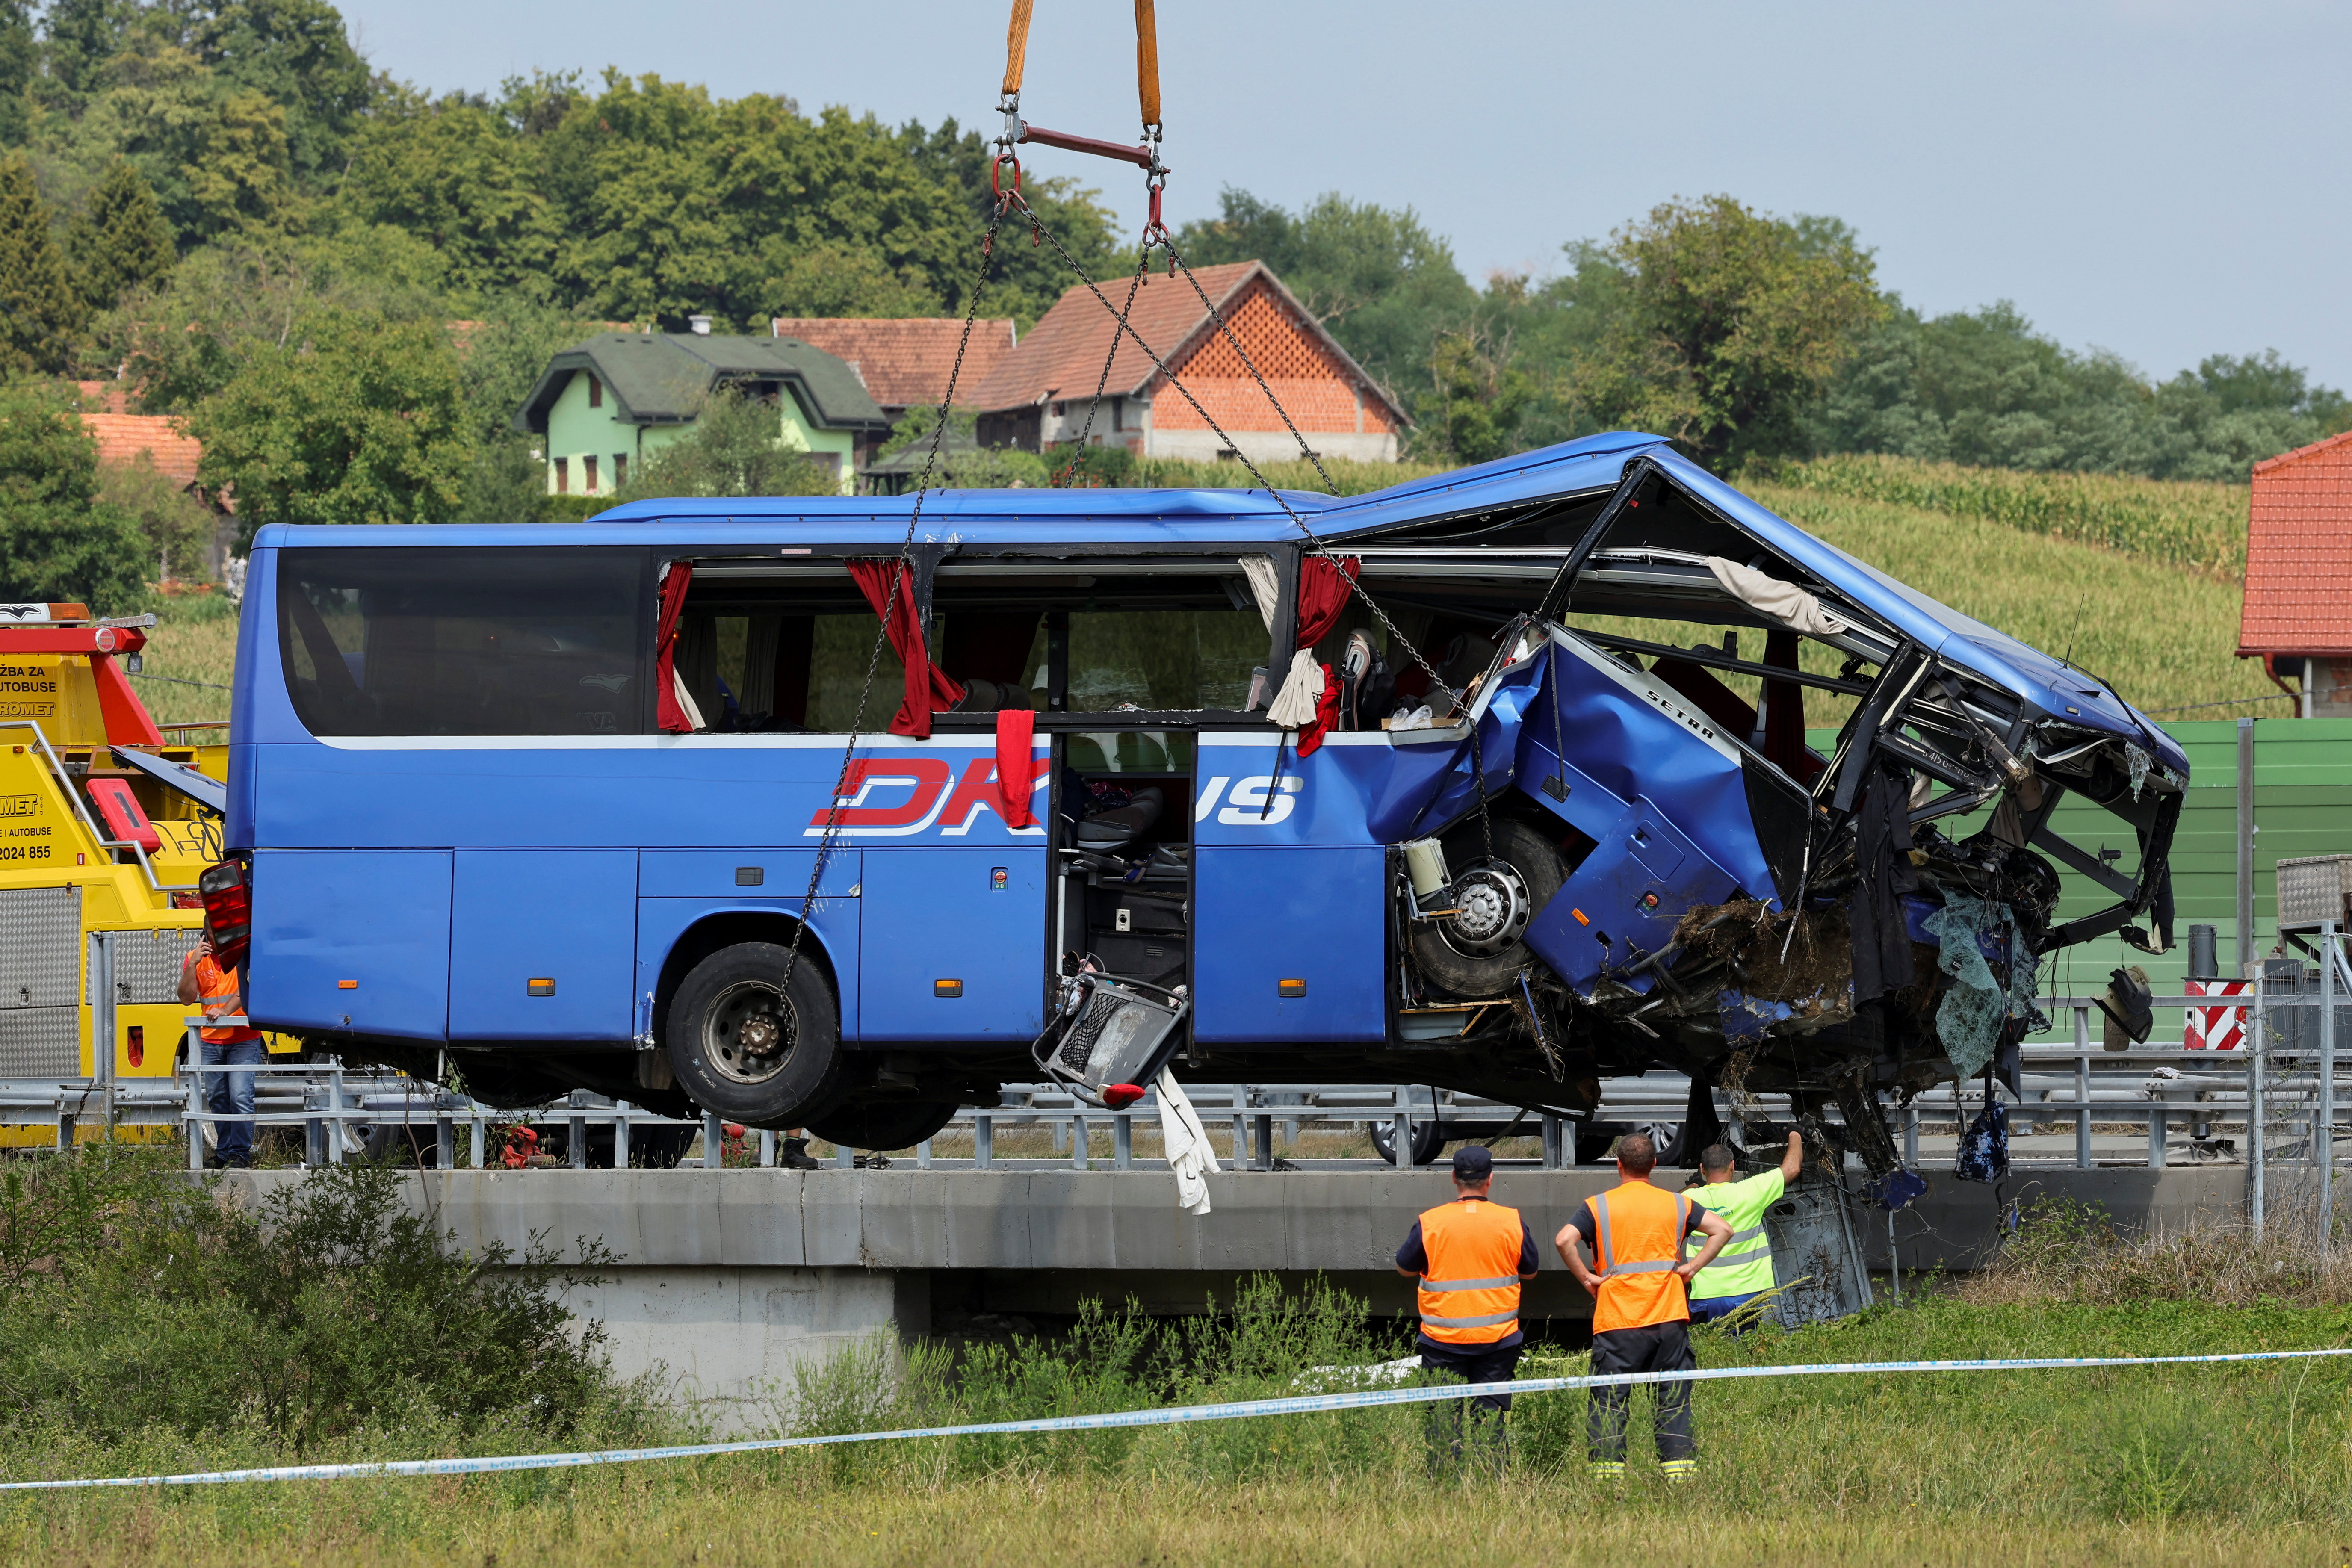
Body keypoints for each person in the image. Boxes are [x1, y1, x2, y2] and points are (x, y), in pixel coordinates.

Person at [1555, 1131, 1732, 1483]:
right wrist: (1691, 1268)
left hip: (1617, 1319)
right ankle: (1680, 1478)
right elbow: (1722, 1229)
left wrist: (1588, 1278)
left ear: (1618, 1165)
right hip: (1669, 1318)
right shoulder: (1677, 1203)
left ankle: (1607, 1482)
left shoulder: (1597, 1206)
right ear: (1653, 1164)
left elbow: (1564, 1240)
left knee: (1609, 1402)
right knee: (1673, 1401)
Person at [1394, 1144, 1540, 1468]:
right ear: (1490, 1179)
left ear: (1453, 1178)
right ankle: (1493, 1480)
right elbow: (1530, 1271)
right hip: (1497, 1342)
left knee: (1443, 1421)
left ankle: (1445, 1484)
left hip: (1442, 1342)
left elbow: (1404, 1267)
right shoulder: (1511, 1221)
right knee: (1490, 1420)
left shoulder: (1431, 1222)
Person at [1685, 1131, 1805, 1329]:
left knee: (1707, 1348)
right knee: (1745, 1347)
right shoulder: (1751, 1191)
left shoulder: (1690, 1200)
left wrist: (1694, 1185)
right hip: (1746, 1296)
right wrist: (1795, 1135)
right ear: (1732, 1166)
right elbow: (1792, 1168)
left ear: (1702, 1169)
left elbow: (1670, 1203)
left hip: (1705, 1298)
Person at [178, 922, 264, 1169]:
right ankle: (224, 1153)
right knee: (217, 1098)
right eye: (215, 933)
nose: (221, 938)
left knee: (240, 1097)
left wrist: (225, 1011)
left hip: (243, 1038)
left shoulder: (242, 953)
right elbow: (186, 998)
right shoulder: (195, 958)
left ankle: (240, 1154)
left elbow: (248, 987)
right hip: (210, 1040)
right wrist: (192, 965)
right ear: (206, 934)